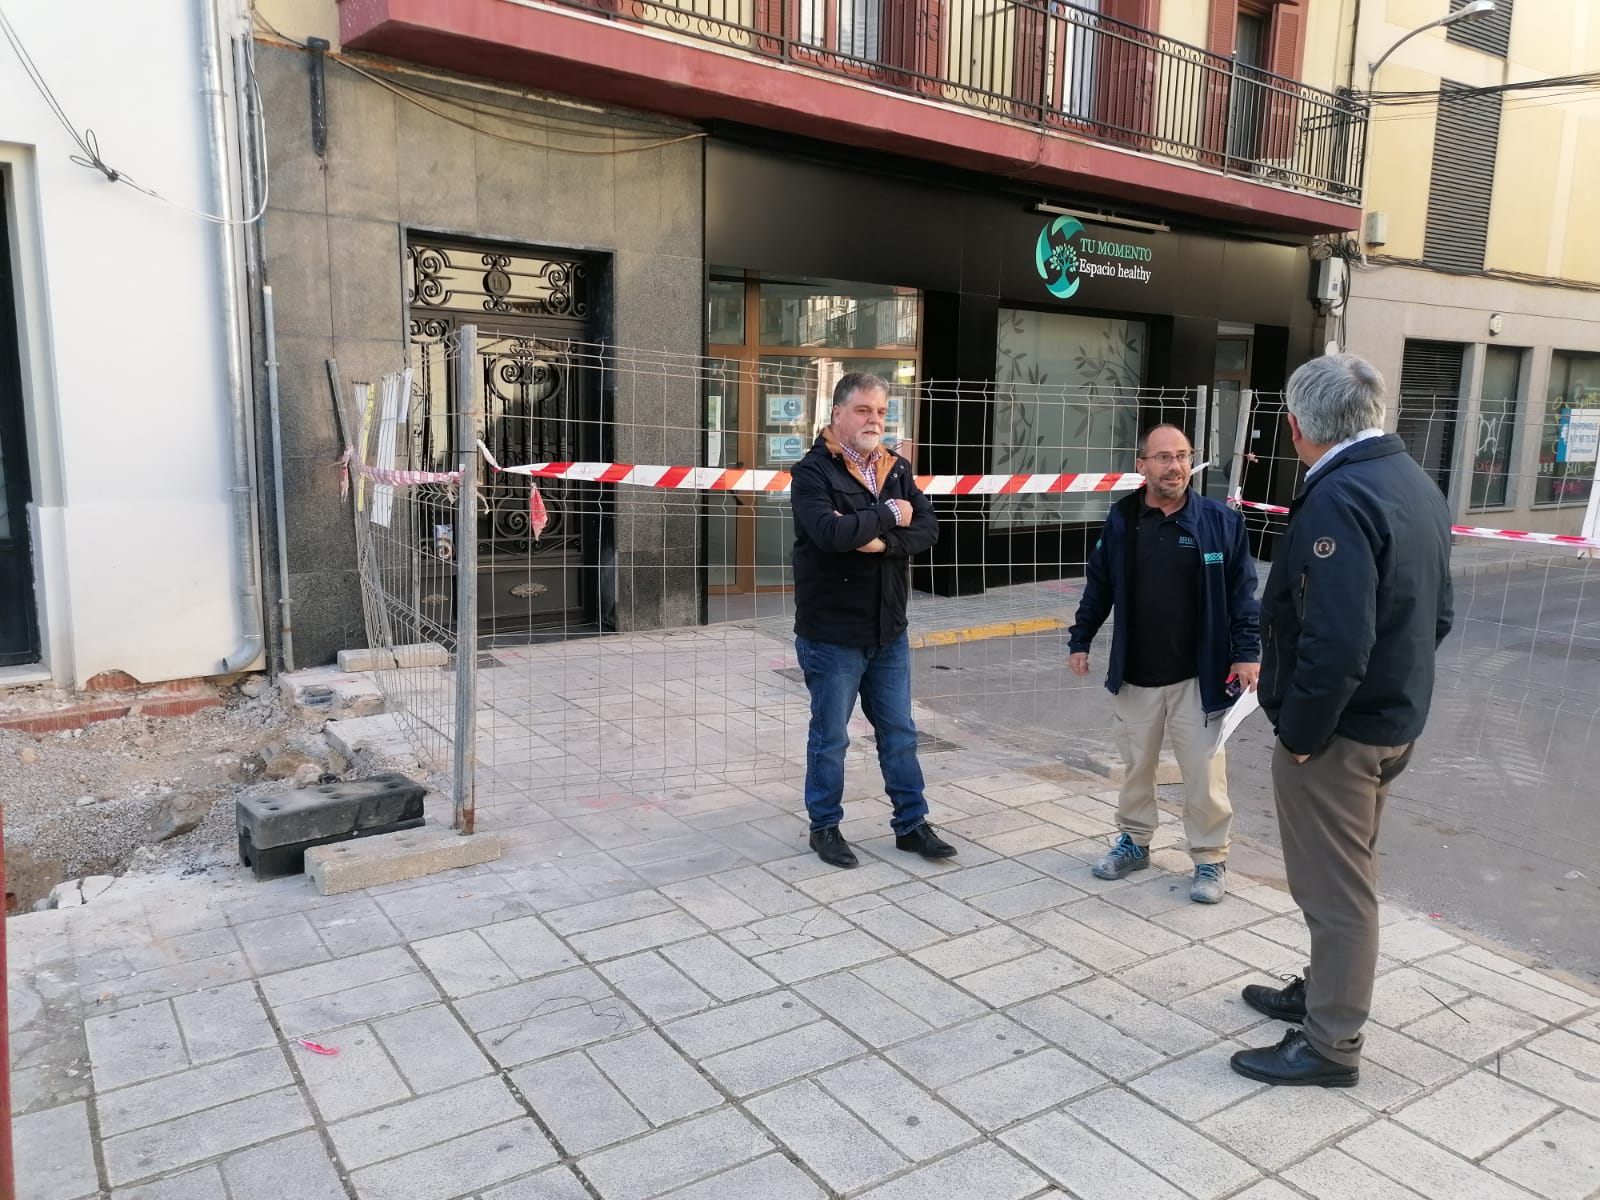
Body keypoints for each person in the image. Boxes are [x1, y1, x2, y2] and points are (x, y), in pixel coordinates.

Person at [1230, 353, 1453, 1088]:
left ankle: (1330, 1043)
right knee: (1342, 876)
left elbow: (1337, 638)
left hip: (1338, 736)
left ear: (1296, 426)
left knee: (1335, 890)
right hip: (1391, 721)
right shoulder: (1411, 481)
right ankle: (1323, 993)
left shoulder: (1338, 496)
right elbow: (1438, 614)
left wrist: (1301, 734)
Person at [1067, 423, 1260, 903]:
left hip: (1202, 675)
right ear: (1142, 465)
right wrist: (1081, 638)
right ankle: (1135, 843)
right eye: (1162, 457)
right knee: (1137, 768)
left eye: (1181, 456)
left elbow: (1243, 594)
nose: (1174, 466)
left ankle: (1210, 860)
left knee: (1204, 772)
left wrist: (1247, 652)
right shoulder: (1123, 519)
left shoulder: (1220, 522)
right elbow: (1100, 585)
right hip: (1137, 674)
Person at [789, 373, 954, 869]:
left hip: (889, 630)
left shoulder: (895, 468)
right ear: (837, 413)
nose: (874, 421)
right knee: (831, 736)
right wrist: (889, 513)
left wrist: (880, 539)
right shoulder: (813, 473)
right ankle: (824, 827)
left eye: (881, 412)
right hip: (833, 634)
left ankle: (911, 824)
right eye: (863, 410)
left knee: (900, 732)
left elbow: (928, 528)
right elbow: (829, 535)